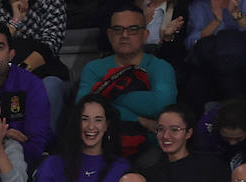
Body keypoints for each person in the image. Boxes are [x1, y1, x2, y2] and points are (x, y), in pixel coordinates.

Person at [76, 6, 178, 157]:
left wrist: (106, 95)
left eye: (133, 29)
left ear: (145, 34)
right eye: (118, 29)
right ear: (110, 35)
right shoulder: (93, 68)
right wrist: (140, 119)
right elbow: (83, 107)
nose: (124, 35)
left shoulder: (160, 67)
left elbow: (160, 105)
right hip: (102, 145)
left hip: (151, 148)